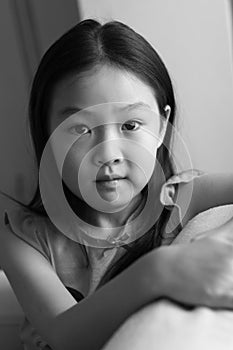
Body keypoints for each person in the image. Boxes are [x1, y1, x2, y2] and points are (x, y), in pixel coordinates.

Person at [0, 18, 233, 350]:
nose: (107, 154)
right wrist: (159, 270)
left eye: (131, 125)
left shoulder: (185, 199)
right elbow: (66, 335)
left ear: (162, 128)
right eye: (81, 129)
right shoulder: (23, 239)